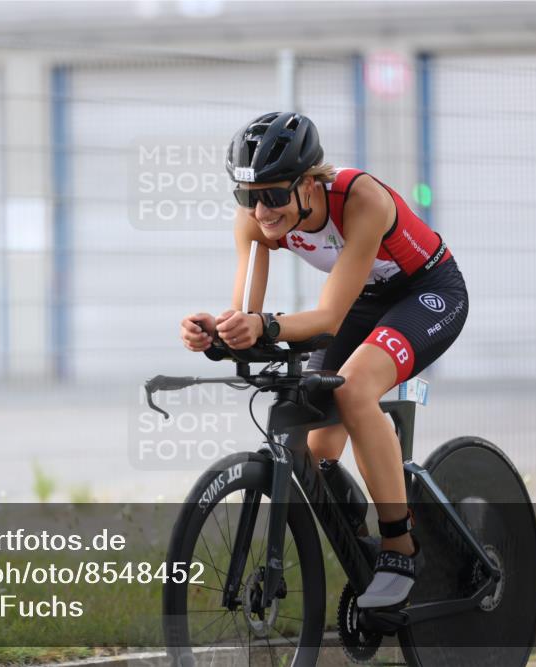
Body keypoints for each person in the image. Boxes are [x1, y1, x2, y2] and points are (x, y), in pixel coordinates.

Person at [179, 111, 469, 609]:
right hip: (364, 300)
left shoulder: (362, 200)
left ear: (310, 185)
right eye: (247, 196)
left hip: (427, 293)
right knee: (314, 446)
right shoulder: (256, 219)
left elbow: (329, 317)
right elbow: (247, 314)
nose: (261, 210)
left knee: (354, 388)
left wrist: (265, 325)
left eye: (274, 195)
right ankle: (359, 535)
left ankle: (400, 546)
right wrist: (218, 333)